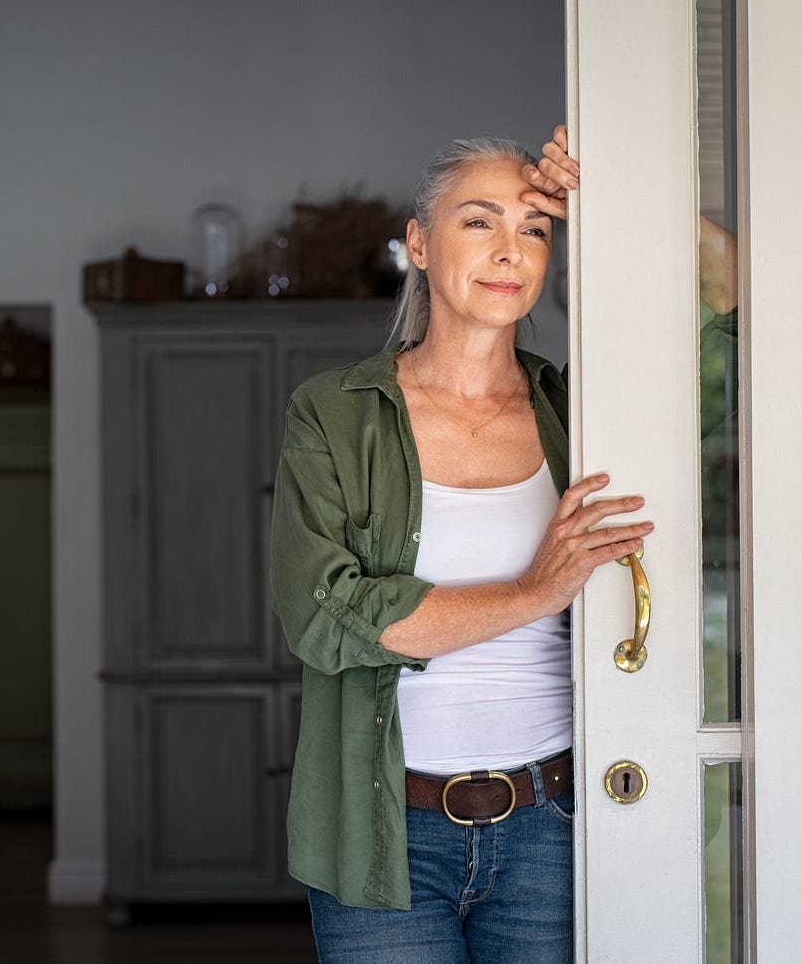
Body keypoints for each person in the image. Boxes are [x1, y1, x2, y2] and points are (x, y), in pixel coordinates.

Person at [268, 135, 651, 964]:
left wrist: (622, 194)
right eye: (479, 222)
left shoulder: (581, 410)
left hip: (554, 825)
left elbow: (727, 323)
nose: (511, 250)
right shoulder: (334, 412)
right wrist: (531, 593)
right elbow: (324, 616)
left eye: (538, 227)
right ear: (418, 243)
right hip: (381, 836)